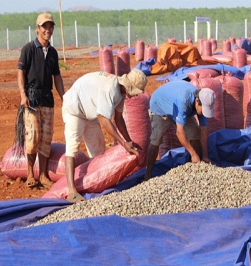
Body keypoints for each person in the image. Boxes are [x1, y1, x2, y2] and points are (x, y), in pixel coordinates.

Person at [62, 69, 148, 203]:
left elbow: (119, 119)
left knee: (98, 151)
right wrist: (123, 143)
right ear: (128, 86)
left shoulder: (121, 92)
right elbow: (104, 120)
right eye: (135, 91)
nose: (135, 95)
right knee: (72, 147)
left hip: (89, 111)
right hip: (74, 109)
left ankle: (94, 185)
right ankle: (72, 191)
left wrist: (129, 140)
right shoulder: (110, 89)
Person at [16, 12, 64, 189]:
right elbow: (20, 72)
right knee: (33, 136)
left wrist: (63, 97)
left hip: (47, 98)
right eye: (45, 26)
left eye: (50, 26)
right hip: (32, 98)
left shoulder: (52, 52)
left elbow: (57, 76)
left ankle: (43, 175)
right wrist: (23, 94)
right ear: (37, 28)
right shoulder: (28, 49)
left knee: (46, 138)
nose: (48, 30)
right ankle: (30, 174)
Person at [144, 80, 216, 181]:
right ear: (197, 101)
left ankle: (194, 169)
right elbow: (179, 132)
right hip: (160, 107)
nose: (203, 113)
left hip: (177, 106)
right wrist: (193, 154)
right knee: (156, 139)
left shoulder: (202, 104)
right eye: (203, 110)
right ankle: (147, 175)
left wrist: (205, 155)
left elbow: (203, 131)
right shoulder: (184, 101)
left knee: (195, 133)